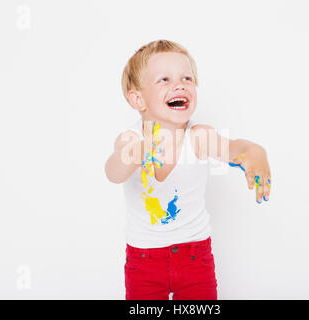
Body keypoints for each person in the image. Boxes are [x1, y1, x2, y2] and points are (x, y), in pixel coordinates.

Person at [104, 40, 271, 300]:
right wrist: (136, 153)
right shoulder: (130, 139)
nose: (179, 85)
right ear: (138, 98)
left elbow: (234, 147)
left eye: (187, 78)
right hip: (144, 259)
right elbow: (113, 173)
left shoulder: (199, 137)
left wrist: (254, 151)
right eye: (164, 80)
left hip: (195, 257)